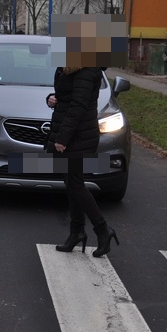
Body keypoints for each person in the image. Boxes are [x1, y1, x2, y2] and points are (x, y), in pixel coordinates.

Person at [45, 66, 119, 257]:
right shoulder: (70, 66)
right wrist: (53, 99)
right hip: (74, 133)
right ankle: (76, 232)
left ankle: (102, 229)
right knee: (71, 182)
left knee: (75, 184)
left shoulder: (85, 69)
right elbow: (70, 95)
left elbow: (79, 105)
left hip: (79, 136)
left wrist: (63, 137)